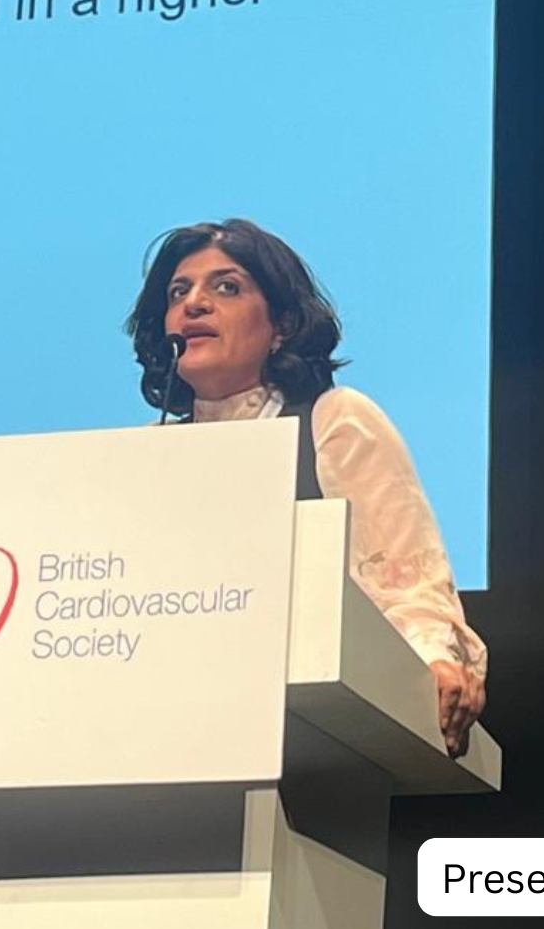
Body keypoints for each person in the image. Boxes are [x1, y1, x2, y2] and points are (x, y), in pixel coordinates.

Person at [126, 218, 488, 756]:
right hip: (153, 729)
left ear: (282, 326)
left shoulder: (334, 420)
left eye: (226, 287)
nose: (194, 304)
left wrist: (431, 660)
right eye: (179, 291)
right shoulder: (141, 456)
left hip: (307, 737)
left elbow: (405, 578)